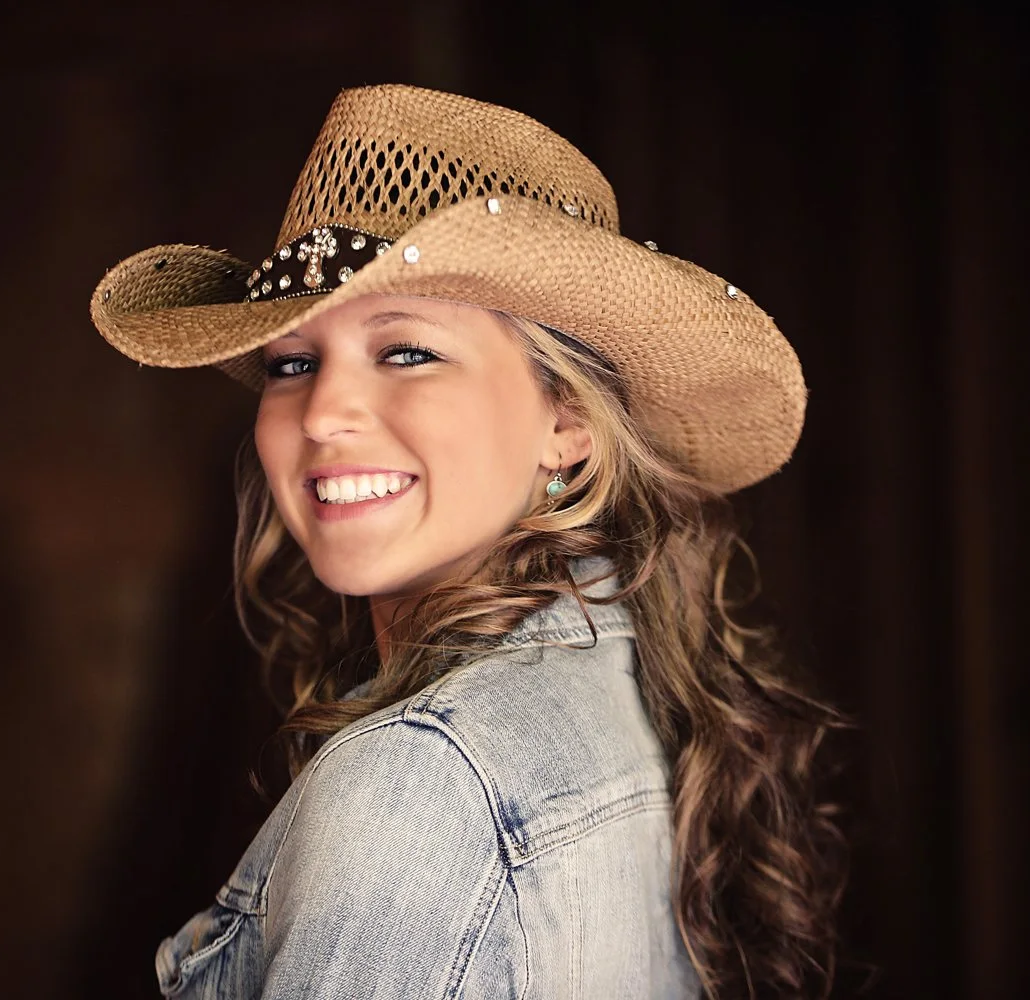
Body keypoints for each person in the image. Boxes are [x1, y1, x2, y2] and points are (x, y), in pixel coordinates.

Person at [89, 84, 848, 1000]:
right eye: (293, 362)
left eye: (407, 351)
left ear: (567, 420)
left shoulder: (422, 781)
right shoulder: (619, 671)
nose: (322, 412)